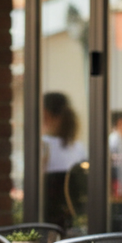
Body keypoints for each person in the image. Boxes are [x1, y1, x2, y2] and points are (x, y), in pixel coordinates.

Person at [42, 91, 86, 228]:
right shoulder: (79, 147)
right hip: (73, 216)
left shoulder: (43, 145)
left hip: (47, 215)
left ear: (45, 115)